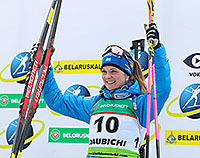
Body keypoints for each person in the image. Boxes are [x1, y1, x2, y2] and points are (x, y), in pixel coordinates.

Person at [41, 23, 171, 158]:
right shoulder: (95, 103)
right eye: (104, 71)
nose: (108, 77)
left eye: (113, 71)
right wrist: (45, 68)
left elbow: (162, 88)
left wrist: (157, 49)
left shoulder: (139, 104)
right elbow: (57, 102)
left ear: (127, 74)